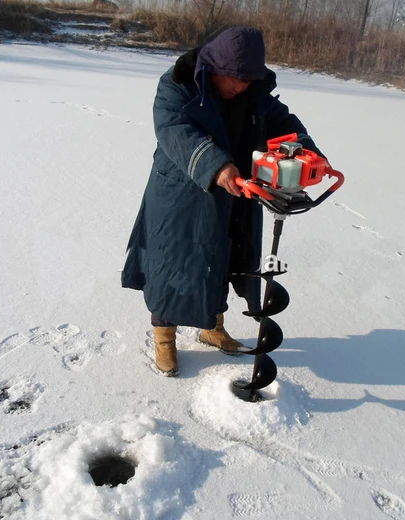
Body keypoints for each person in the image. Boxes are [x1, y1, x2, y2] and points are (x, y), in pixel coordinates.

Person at [121, 26, 325, 376]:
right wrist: (216, 165)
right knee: (173, 264)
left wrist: (307, 152)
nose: (242, 87)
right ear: (215, 67)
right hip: (182, 196)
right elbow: (174, 129)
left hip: (237, 194)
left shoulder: (252, 93)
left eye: (249, 80)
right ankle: (164, 337)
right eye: (236, 79)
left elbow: (284, 123)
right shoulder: (178, 85)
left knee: (226, 259)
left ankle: (212, 327)